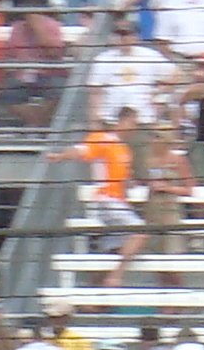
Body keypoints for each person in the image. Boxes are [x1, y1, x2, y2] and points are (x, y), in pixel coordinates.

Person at [46, 107, 147, 287]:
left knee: (112, 251)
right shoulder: (103, 139)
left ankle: (96, 292)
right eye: (133, 123)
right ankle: (117, 276)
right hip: (107, 201)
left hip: (118, 202)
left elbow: (121, 176)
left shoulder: (124, 150)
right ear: (122, 121)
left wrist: (131, 183)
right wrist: (60, 156)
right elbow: (81, 151)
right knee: (141, 232)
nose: (134, 128)